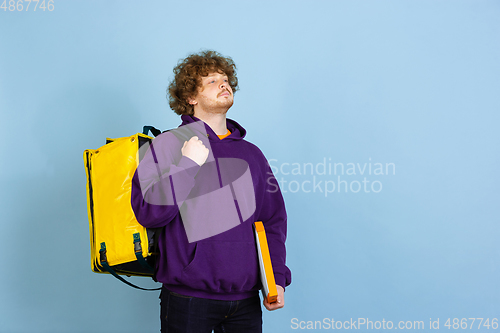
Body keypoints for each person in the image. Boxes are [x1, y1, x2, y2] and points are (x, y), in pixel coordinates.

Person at [131, 50, 291, 333]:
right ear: (191, 97)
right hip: (188, 298)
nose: (224, 84)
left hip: (246, 301)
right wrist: (187, 165)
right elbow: (149, 212)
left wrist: (275, 277)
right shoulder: (167, 145)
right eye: (212, 81)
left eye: (226, 79)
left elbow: (272, 221)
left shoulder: (252, 154)